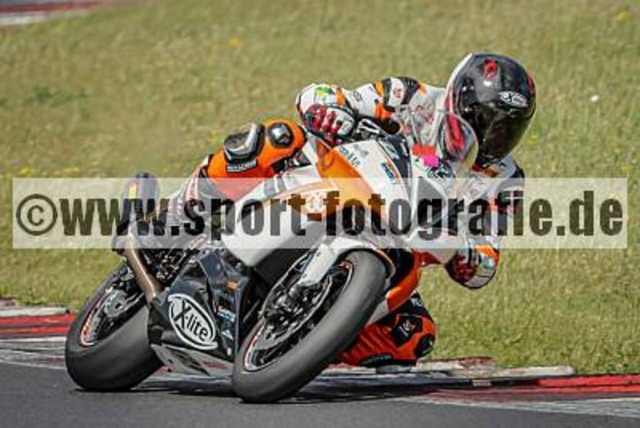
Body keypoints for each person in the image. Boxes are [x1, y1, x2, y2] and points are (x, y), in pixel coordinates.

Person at [164, 52, 536, 371]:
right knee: (275, 139)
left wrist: (464, 252)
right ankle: (175, 217)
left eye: (509, 128)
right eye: (487, 121)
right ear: (458, 102)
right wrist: (329, 112)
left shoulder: (506, 180)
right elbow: (319, 94)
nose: (494, 136)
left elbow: (486, 259)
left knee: (412, 336)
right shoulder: (411, 97)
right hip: (331, 179)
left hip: (394, 244)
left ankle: (294, 347)